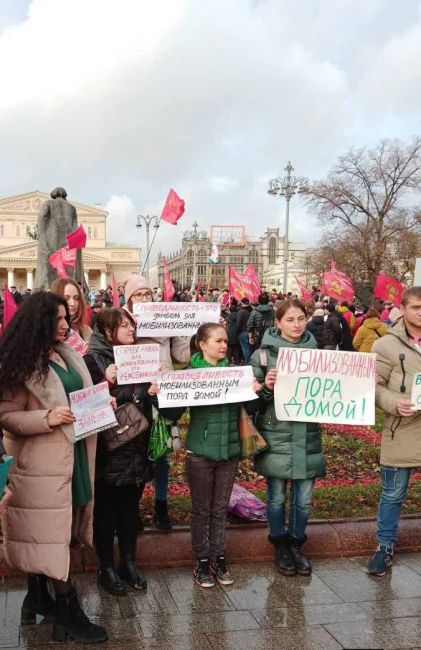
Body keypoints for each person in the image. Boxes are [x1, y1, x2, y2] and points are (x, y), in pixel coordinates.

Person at [0, 291, 107, 644]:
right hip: (40, 467)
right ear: (39, 323)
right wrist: (46, 417)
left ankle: (37, 597)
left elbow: (80, 397)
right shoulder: (21, 364)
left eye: (66, 317)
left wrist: (100, 403)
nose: (66, 324)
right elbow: (7, 417)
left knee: (60, 531)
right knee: (51, 536)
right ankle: (67, 609)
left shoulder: (67, 355)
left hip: (73, 457)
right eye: (58, 319)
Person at [152, 323, 259, 587]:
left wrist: (258, 391)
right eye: (218, 341)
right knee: (201, 511)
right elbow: (173, 414)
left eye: (225, 341)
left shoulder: (236, 374)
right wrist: (159, 395)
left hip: (230, 451)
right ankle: (201, 562)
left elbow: (253, 407)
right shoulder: (189, 374)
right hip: (200, 452)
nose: (224, 345)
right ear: (202, 344)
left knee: (220, 510)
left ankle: (219, 559)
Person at [251, 300, 325, 577]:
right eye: (290, 319)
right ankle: (279, 544)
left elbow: (334, 390)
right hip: (276, 434)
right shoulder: (262, 356)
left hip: (307, 434)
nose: (297, 325)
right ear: (277, 323)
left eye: (301, 318)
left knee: (304, 499)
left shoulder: (320, 354)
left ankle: (297, 544)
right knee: (276, 498)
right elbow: (250, 401)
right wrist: (266, 388)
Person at [84, 308, 154, 595]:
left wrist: (156, 390)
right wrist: (106, 383)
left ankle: (128, 561)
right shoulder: (92, 360)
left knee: (129, 509)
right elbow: (84, 406)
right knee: (107, 511)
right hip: (109, 450)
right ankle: (106, 567)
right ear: (106, 330)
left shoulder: (141, 357)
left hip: (137, 446)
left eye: (131, 324)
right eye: (122, 325)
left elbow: (151, 403)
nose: (130, 329)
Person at [124, 274, 191, 529]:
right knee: (137, 451)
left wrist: (187, 331)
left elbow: (181, 355)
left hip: (164, 393)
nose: (143, 298)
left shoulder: (165, 317)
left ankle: (161, 504)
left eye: (147, 293)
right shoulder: (123, 319)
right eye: (137, 295)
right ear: (128, 299)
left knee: (162, 451)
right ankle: (134, 508)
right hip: (135, 394)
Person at [367, 287, 421, 576]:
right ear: (403, 308)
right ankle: (384, 547)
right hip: (402, 428)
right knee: (392, 494)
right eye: (416, 307)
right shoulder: (385, 345)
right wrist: (393, 403)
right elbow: (373, 388)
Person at [51, 278, 92, 342]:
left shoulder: (86, 330)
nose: (72, 303)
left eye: (76, 298)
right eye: (66, 298)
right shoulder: (48, 334)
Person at [236, 297, 253, 363]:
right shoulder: (251, 310)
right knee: (250, 348)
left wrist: (236, 332)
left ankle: (248, 363)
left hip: (243, 332)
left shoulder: (241, 312)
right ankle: (251, 362)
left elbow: (238, 323)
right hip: (251, 331)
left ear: (242, 303)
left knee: (245, 348)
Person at [226, 297, 241, 364]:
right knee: (236, 349)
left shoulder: (228, 316)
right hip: (237, 334)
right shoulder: (239, 315)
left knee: (229, 349)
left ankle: (229, 361)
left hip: (229, 334)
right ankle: (237, 361)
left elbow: (227, 324)